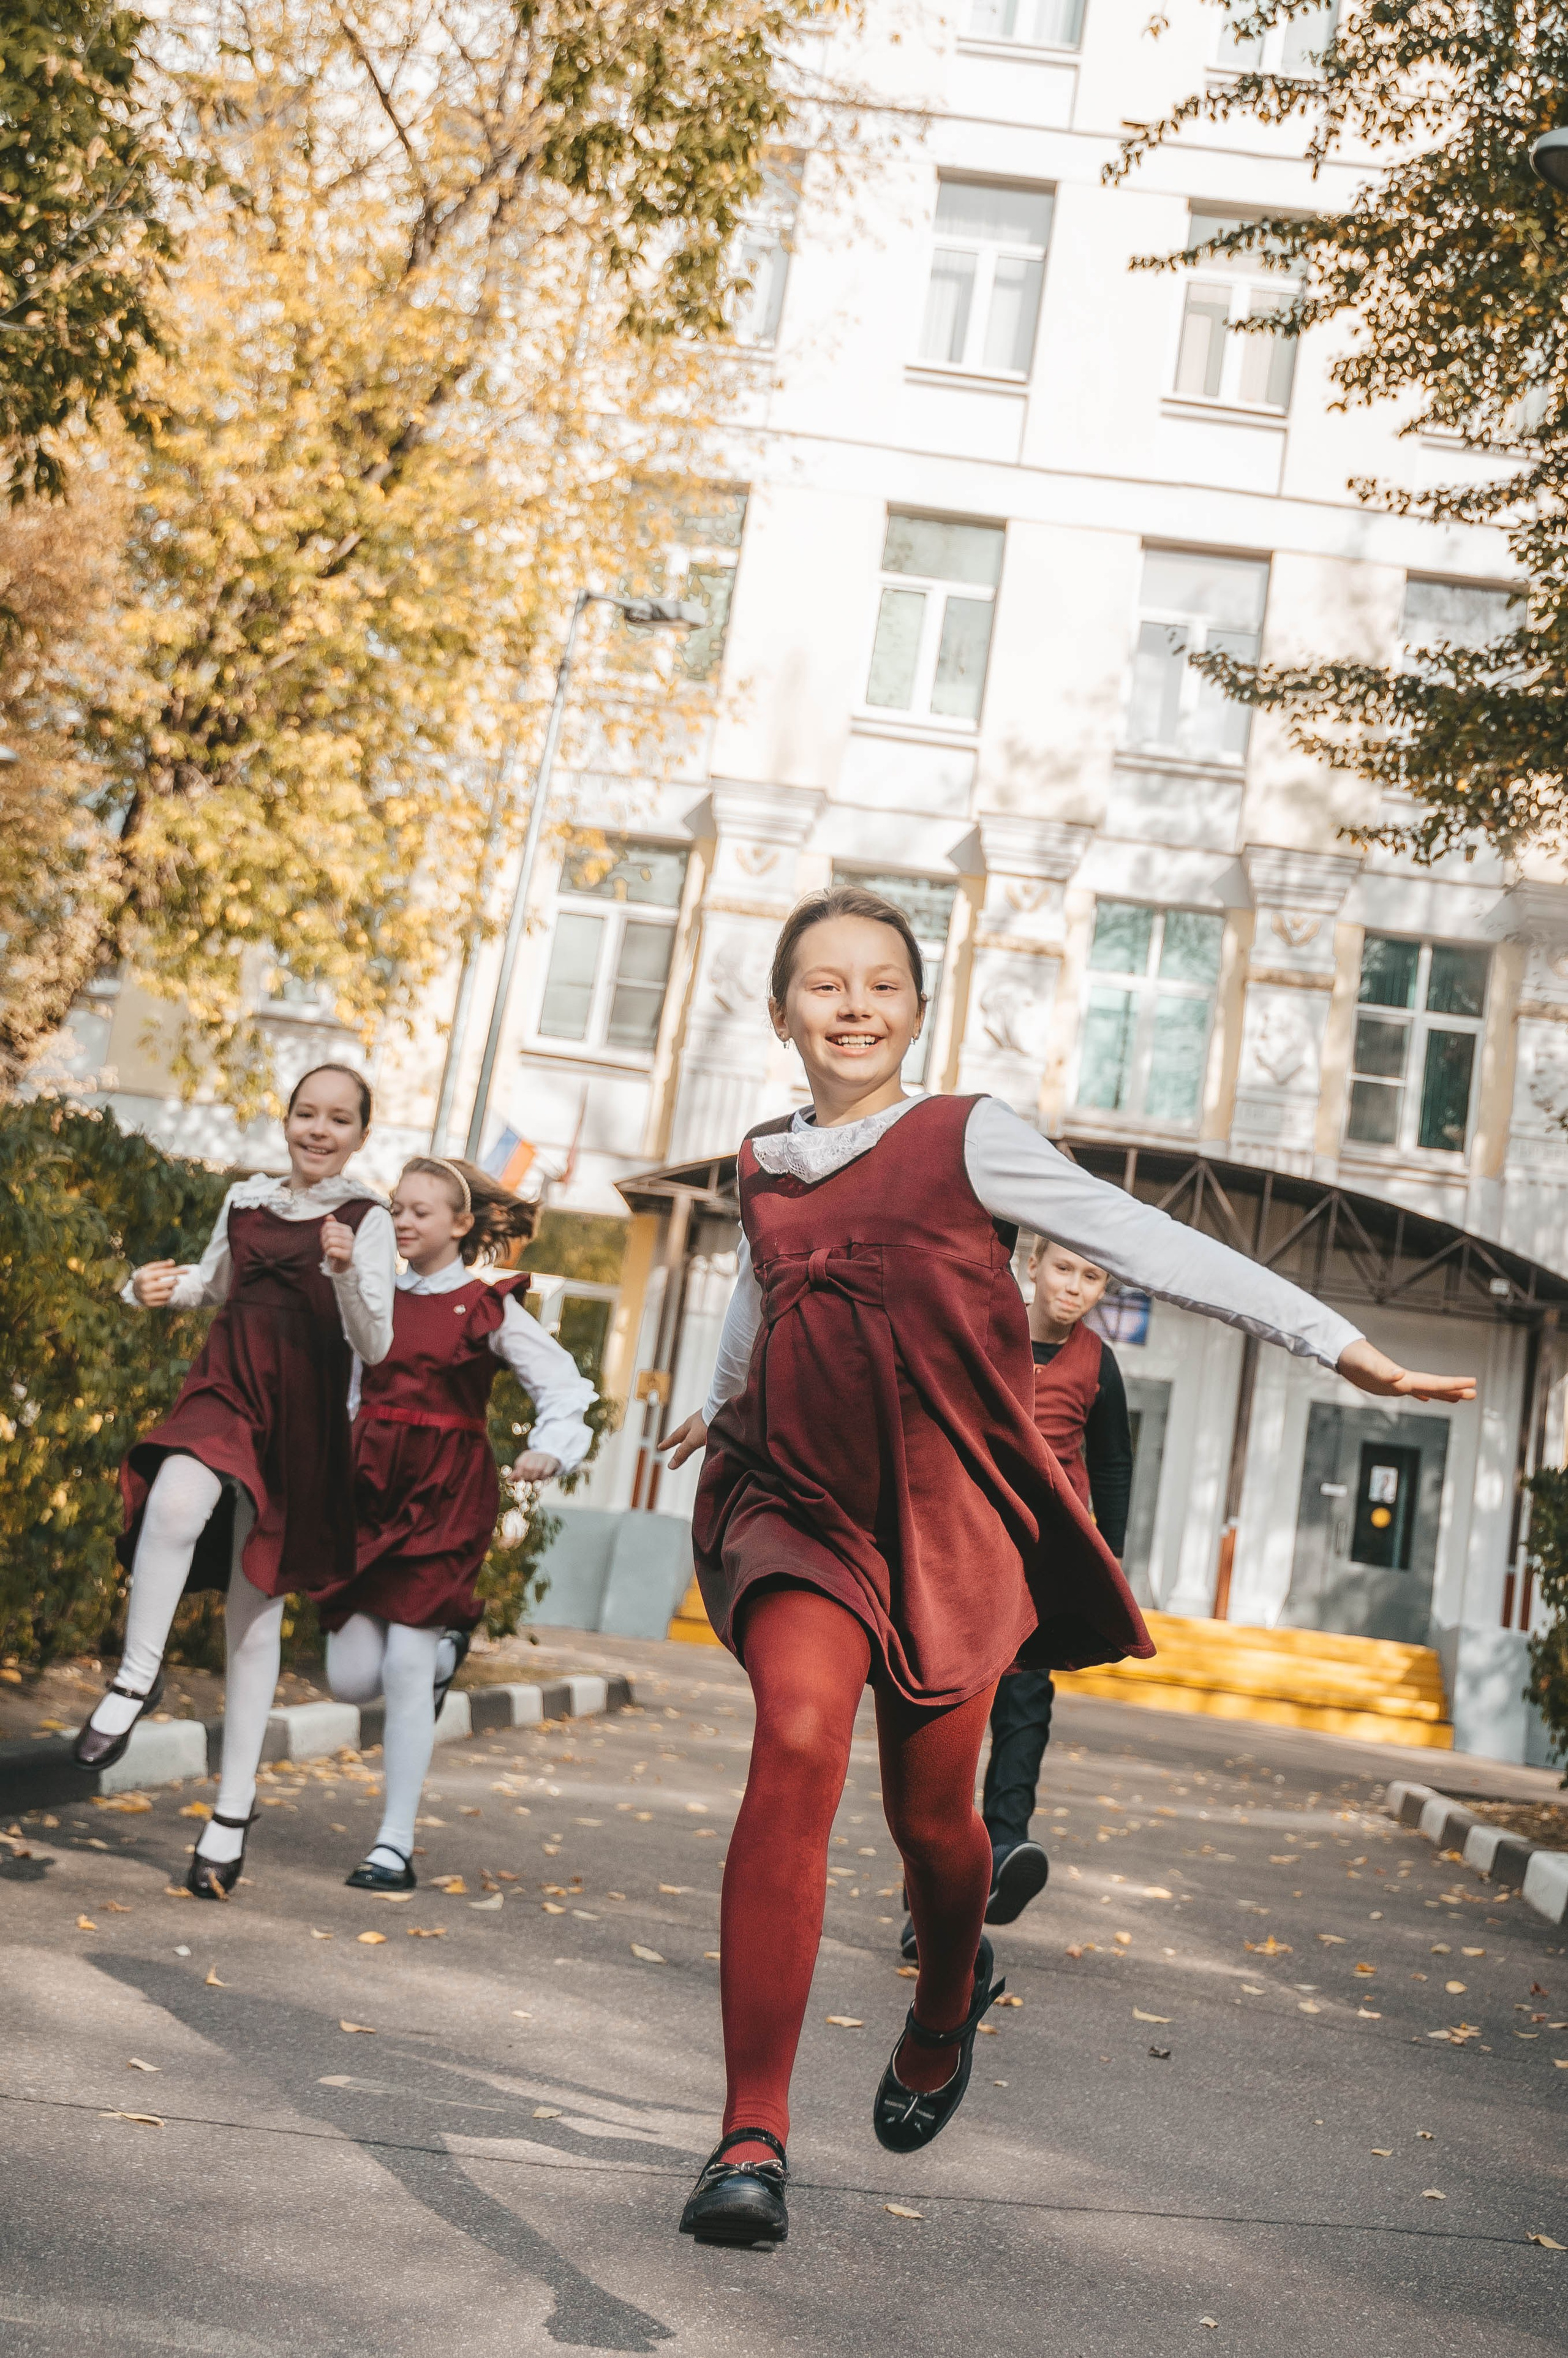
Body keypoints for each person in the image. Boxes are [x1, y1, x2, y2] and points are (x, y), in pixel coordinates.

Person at [657, 884, 1475, 2250]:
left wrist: (1335, 1341)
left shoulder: (966, 1136)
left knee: (936, 1827)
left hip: (945, 1521)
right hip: (796, 1504)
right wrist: (718, 1399)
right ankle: (750, 2134)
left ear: (918, 1005)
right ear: (781, 1009)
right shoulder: (759, 1160)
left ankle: (941, 2001)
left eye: (879, 983)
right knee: (794, 1737)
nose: (851, 1004)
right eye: (822, 983)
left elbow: (1146, 1240)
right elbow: (759, 1291)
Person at [75, 1064, 396, 1900]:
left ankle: (232, 1807)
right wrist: (147, 1289)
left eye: (337, 1120)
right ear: (286, 1119)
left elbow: (376, 1342)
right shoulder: (246, 1202)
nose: (318, 1130)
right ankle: (134, 1679)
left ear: (361, 1134)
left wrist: (338, 1271)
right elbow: (213, 1283)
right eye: (305, 1114)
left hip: (302, 1417)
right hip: (225, 1387)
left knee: (254, 1617)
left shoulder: (366, 1218)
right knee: (177, 1497)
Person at [315, 1157, 596, 1892]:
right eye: (397, 1209)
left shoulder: (487, 1304)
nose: (404, 1222)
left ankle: (392, 1846)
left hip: (446, 1494)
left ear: (461, 1225)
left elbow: (564, 1388)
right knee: (349, 1680)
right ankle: (445, 1659)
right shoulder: (371, 1294)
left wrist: (548, 1448)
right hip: (368, 1492)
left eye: (421, 1212)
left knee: (404, 1665)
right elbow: (350, 1390)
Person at [899, 1238, 1129, 1958]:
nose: (1074, 1287)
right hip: (964, 1552)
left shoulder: (1099, 1364)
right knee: (945, 1735)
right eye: (1063, 1268)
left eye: (1092, 1277)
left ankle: (1005, 1847)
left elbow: (1114, 1463)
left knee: (1025, 1713)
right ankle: (925, 1912)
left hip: (1042, 1567)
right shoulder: (982, 1331)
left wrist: (1109, 1561)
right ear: (1030, 1266)